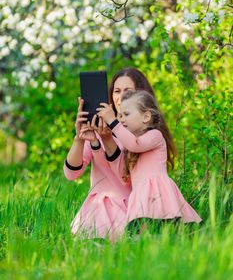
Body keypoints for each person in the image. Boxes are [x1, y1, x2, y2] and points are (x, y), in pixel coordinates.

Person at [63, 67, 155, 240]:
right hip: (97, 208)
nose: (121, 97)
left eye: (128, 91)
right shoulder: (97, 129)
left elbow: (125, 178)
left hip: (131, 208)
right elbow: (71, 174)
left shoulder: (143, 135)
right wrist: (79, 138)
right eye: (117, 91)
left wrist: (106, 140)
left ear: (141, 95)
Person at [94, 89, 202, 234]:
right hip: (141, 196)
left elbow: (135, 144)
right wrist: (99, 140)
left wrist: (113, 122)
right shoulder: (129, 146)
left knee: (166, 229)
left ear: (146, 117)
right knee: (144, 234)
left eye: (126, 114)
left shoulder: (155, 136)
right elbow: (123, 175)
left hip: (158, 193)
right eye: (119, 116)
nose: (121, 119)